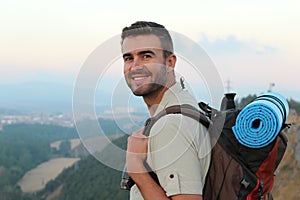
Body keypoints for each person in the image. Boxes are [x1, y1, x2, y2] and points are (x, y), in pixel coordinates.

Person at [121, 21, 211, 200]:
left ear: (170, 62)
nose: (135, 66)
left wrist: (136, 168)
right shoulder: (185, 105)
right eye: (128, 58)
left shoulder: (171, 125)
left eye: (146, 56)